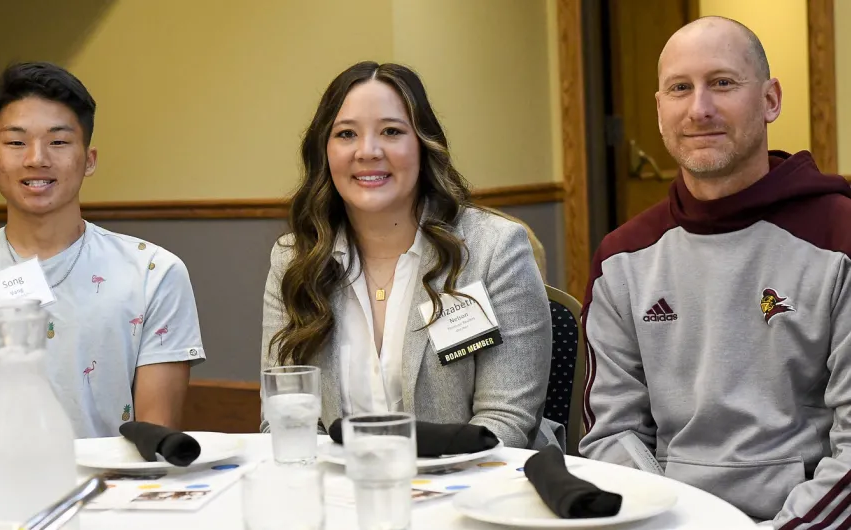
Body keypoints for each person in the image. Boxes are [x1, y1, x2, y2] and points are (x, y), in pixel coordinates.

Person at [580, 17, 851, 526]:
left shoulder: (840, 238)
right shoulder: (622, 258)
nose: (700, 109)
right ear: (660, 111)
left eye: (722, 83)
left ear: (770, 100)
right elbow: (611, 434)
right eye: (680, 89)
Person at [260, 61, 554, 449]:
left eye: (391, 131)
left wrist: (414, 490)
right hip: (342, 494)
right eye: (346, 134)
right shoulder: (295, 260)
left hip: (470, 487)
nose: (367, 151)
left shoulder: (494, 249)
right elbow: (285, 416)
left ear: (423, 144)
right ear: (324, 151)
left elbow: (506, 421)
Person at [0, 62, 205, 439]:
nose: (37, 158)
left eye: (59, 141)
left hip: (112, 491)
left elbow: (155, 433)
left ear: (89, 160)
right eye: (17, 142)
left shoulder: (153, 271)